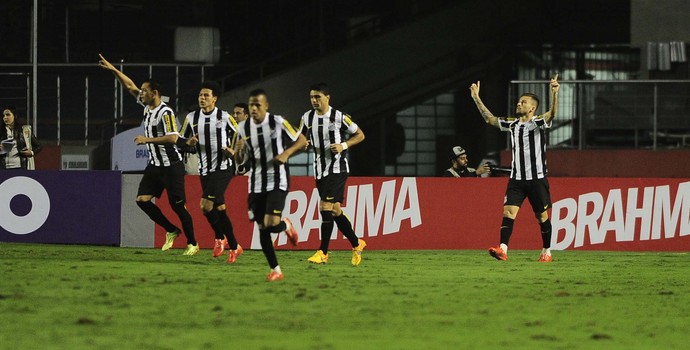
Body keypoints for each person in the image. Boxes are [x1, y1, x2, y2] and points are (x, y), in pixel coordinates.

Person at [98, 54, 199, 255]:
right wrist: (113, 69)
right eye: (142, 91)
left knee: (178, 206)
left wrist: (147, 140)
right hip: (155, 165)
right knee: (142, 200)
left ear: (154, 93)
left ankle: (193, 243)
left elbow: (172, 137)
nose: (141, 93)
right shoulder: (147, 106)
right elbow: (129, 86)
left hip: (171, 166)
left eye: (145, 91)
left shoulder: (165, 112)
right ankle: (171, 230)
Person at [469, 75, 560, 263]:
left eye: (523, 102)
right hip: (517, 179)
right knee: (508, 213)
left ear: (532, 108)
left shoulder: (537, 123)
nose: (519, 104)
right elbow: (490, 119)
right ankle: (503, 249)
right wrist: (476, 98)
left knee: (541, 217)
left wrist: (555, 94)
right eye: (519, 101)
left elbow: (551, 114)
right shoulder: (512, 124)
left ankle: (547, 251)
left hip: (537, 179)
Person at [234, 88, 307, 281]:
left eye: (258, 104)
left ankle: (285, 225)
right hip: (255, 183)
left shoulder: (278, 122)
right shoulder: (242, 128)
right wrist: (239, 151)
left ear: (266, 106)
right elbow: (240, 159)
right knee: (262, 228)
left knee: (270, 223)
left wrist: (286, 154)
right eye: (252, 105)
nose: (255, 108)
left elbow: (302, 140)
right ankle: (276, 269)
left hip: (277, 180)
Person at [299, 83, 367, 266]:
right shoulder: (307, 117)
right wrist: (303, 143)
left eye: (318, 97)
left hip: (337, 168)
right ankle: (357, 243)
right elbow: (302, 137)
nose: (314, 100)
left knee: (325, 206)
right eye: (312, 97)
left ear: (327, 97)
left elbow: (360, 134)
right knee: (335, 210)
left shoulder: (339, 117)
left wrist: (344, 145)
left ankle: (323, 252)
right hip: (319, 170)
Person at [179, 81, 243, 263]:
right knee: (220, 209)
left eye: (206, 95)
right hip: (204, 169)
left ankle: (220, 237)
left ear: (214, 99)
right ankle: (235, 245)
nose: (202, 98)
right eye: (200, 95)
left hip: (223, 167)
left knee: (205, 206)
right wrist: (187, 143)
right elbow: (181, 139)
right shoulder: (192, 118)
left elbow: (242, 134)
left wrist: (234, 150)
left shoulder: (224, 117)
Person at [232, 102, 250, 175]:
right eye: (234, 113)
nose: (234, 115)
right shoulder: (234, 132)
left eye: (238, 113)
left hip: (250, 173)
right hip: (237, 173)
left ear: (246, 116)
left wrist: (245, 168)